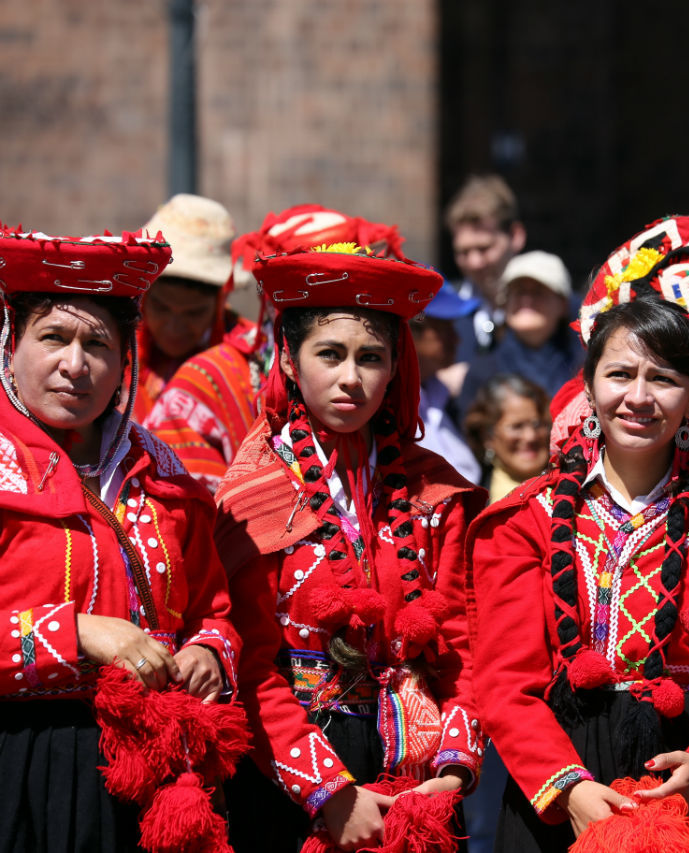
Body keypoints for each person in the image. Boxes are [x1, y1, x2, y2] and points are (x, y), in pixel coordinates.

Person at [470, 215, 689, 852]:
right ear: (590, 385)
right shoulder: (529, 519)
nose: (639, 397)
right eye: (621, 375)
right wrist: (567, 788)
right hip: (566, 787)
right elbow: (504, 683)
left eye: (664, 379)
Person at [215, 245, 486, 850]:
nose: (351, 379)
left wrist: (451, 771)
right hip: (295, 776)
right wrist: (330, 793)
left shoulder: (433, 489)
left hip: (421, 783)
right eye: (330, 355)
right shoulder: (255, 490)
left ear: (395, 367)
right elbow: (252, 662)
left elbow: (464, 646)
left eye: (372, 358)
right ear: (289, 358)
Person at [0, 227, 240, 850]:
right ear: (11, 343)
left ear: (124, 361)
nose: (74, 365)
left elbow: (214, 605)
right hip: (16, 764)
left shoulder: (160, 469)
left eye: (98, 345)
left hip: (152, 771)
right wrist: (74, 631)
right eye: (53, 337)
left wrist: (209, 654)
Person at [144, 204, 407, 493]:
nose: (350, 378)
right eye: (305, 289)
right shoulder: (206, 381)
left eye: (369, 356)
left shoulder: (391, 391)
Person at [134, 194, 255, 420]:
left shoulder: (255, 361)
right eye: (161, 308)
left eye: (194, 313)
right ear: (144, 297)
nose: (174, 327)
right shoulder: (114, 352)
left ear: (220, 302)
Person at [458, 250, 583, 416]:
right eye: (518, 292)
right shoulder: (482, 373)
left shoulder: (586, 369)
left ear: (563, 304)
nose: (526, 300)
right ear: (504, 303)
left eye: (538, 292)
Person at [440, 175, 527, 395]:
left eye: (484, 248)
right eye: (463, 252)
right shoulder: (444, 310)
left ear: (515, 236)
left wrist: (471, 378)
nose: (475, 263)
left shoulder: (544, 307)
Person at [411, 280, 483, 484]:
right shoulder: (392, 405)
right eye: (444, 328)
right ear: (413, 328)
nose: (457, 339)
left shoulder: (438, 393)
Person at [462, 373, 551, 503]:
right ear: (487, 436)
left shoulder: (577, 484)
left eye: (537, 424)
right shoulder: (478, 506)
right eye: (517, 427)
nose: (530, 436)